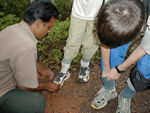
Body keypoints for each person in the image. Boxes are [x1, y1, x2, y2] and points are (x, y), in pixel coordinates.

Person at [0, 0, 59, 113]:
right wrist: (46, 86)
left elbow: (22, 53)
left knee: (34, 50)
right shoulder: (27, 46)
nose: (49, 31)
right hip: (2, 90)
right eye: (48, 27)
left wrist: (40, 71)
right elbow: (25, 87)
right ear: (37, 23)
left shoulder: (14, 28)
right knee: (36, 103)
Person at [90, 0, 148, 113]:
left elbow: (146, 47)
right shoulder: (111, 6)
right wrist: (107, 68)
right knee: (113, 51)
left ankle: (126, 95)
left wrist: (119, 69)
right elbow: (106, 38)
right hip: (128, 14)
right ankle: (109, 88)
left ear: (141, 29)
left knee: (146, 68)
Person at [53, 0, 109, 86]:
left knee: (91, 43)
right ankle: (64, 70)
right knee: (72, 42)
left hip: (98, 13)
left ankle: (84, 66)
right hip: (78, 11)